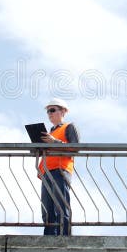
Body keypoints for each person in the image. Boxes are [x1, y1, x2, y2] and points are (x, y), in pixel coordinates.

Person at [38, 98, 79, 236]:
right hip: (47, 173)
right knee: (47, 209)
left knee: (61, 207)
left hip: (60, 171)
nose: (49, 113)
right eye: (48, 111)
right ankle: (49, 238)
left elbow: (75, 149)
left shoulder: (69, 127)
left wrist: (54, 141)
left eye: (52, 110)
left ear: (63, 111)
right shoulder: (49, 133)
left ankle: (65, 238)